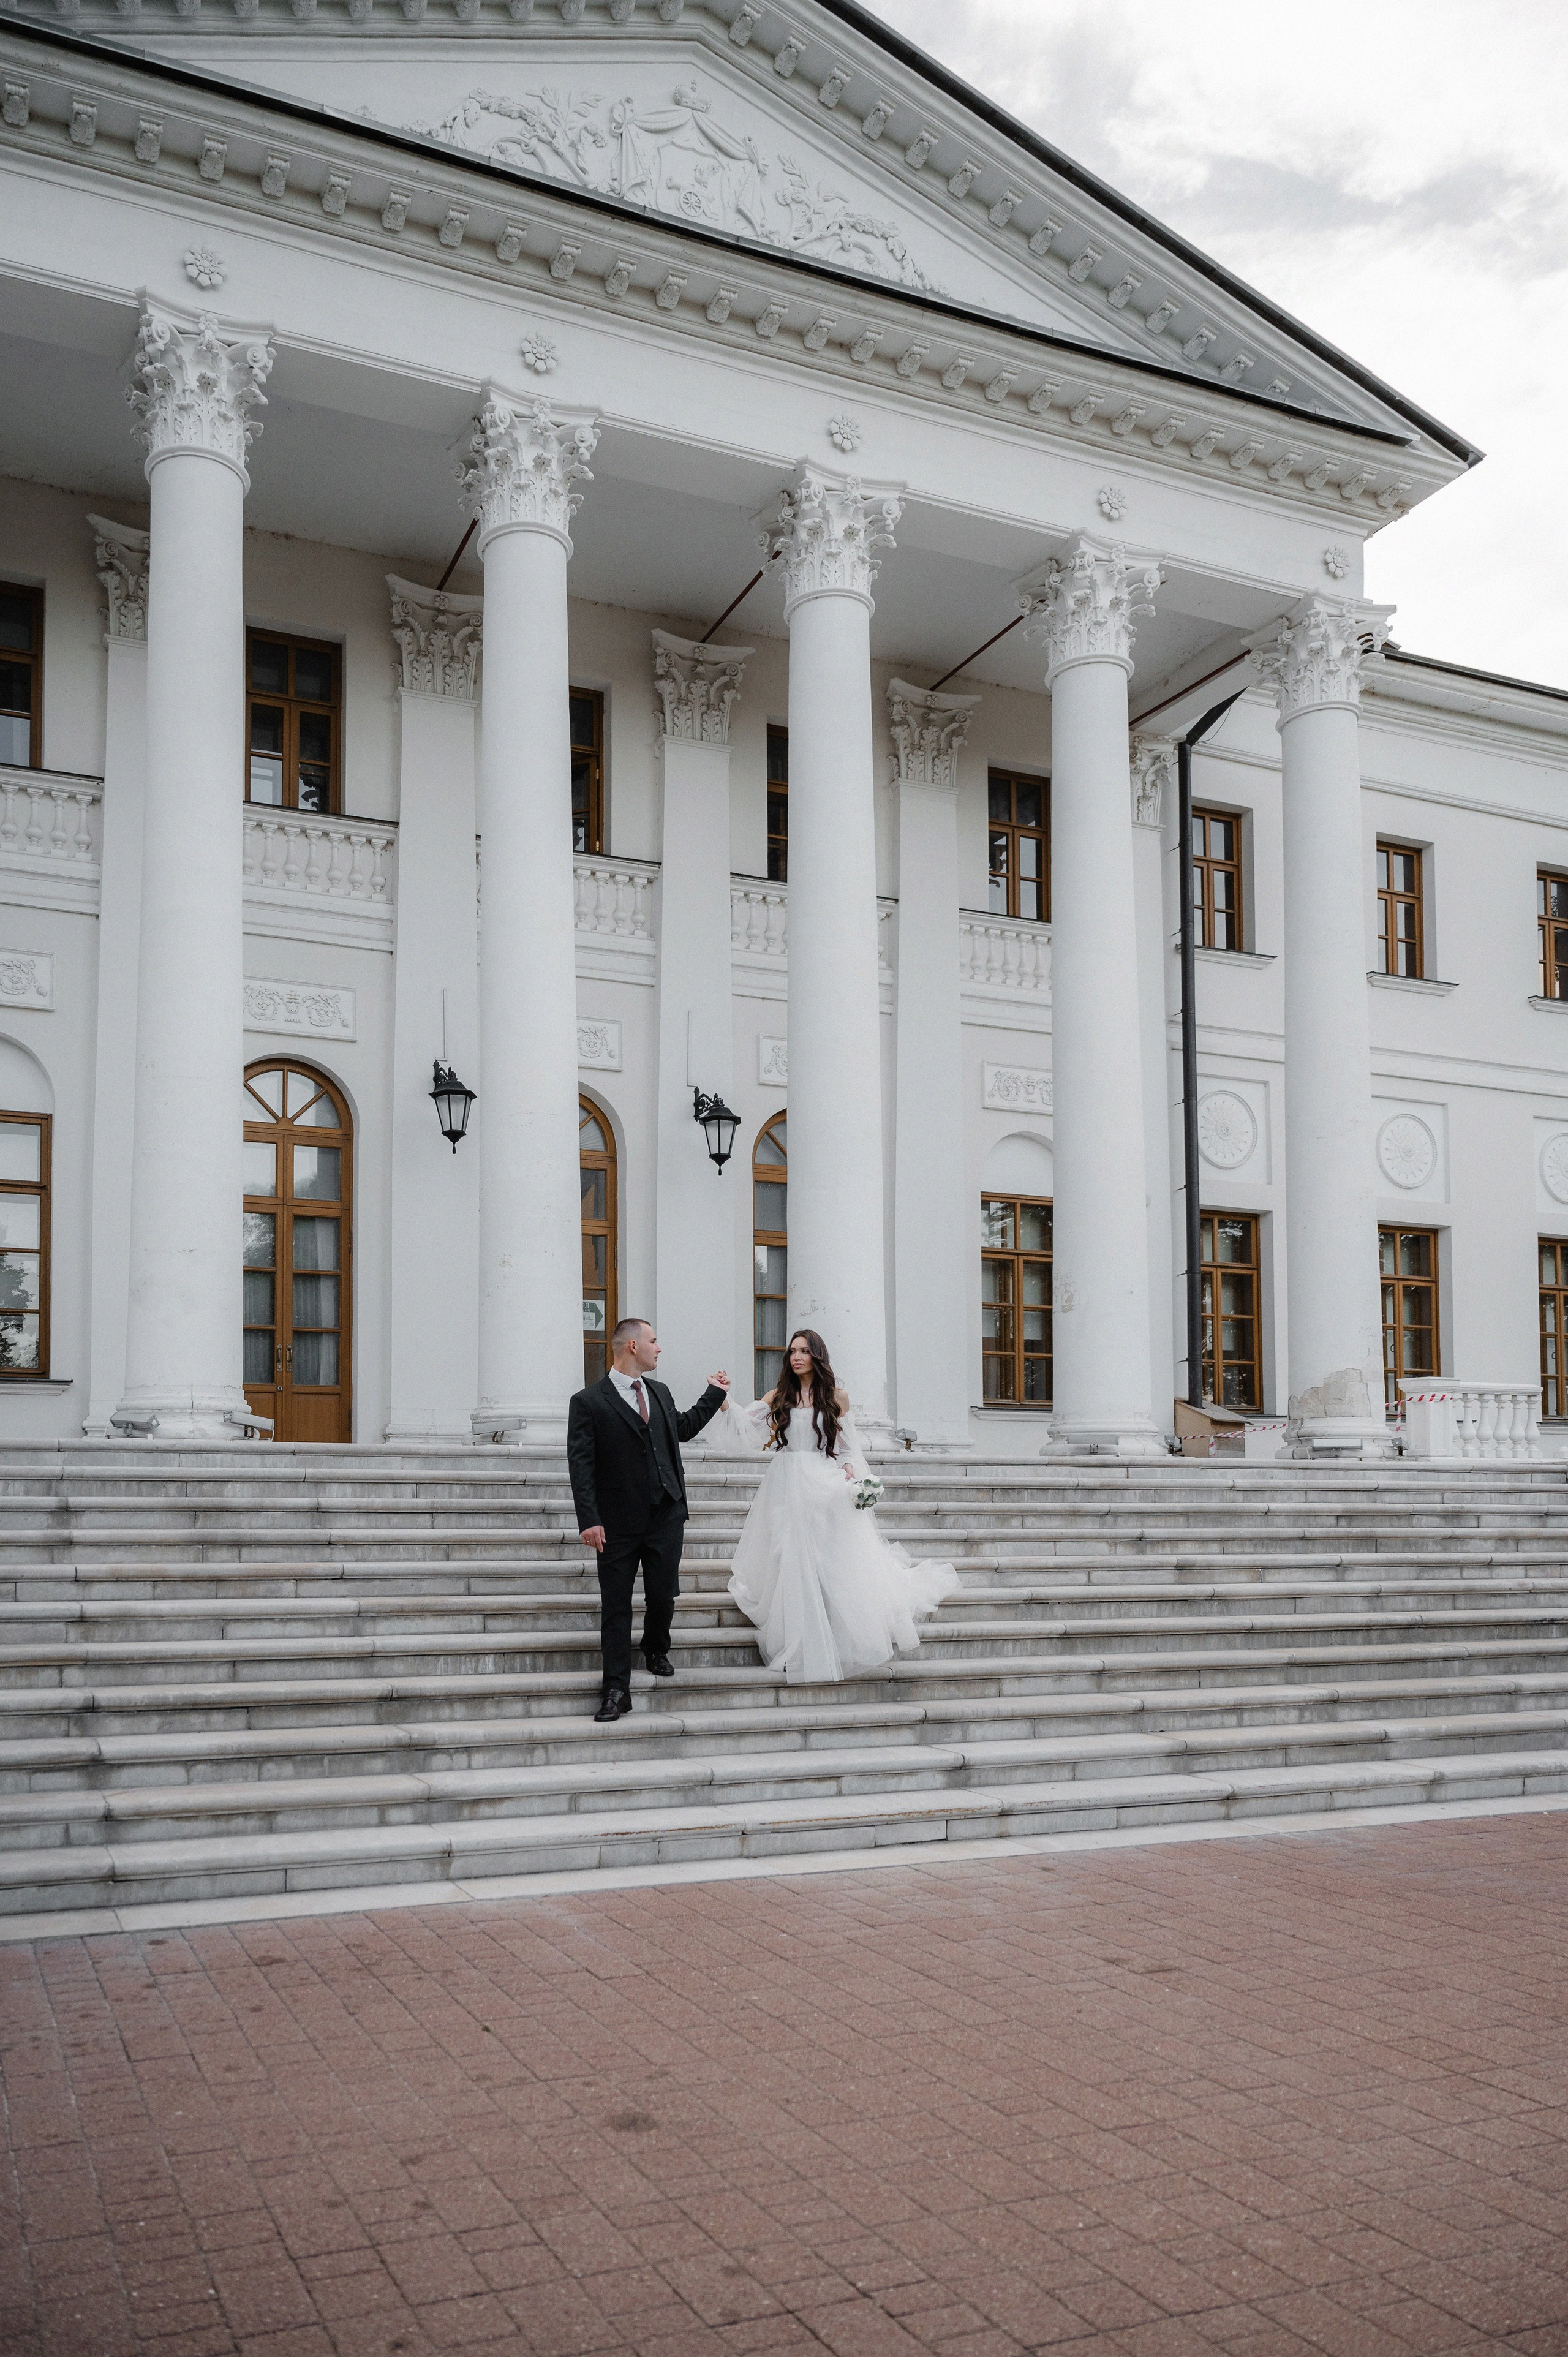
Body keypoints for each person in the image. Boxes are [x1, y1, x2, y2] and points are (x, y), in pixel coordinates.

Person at [717, 1329, 960, 1683]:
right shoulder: (778, 1395)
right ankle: (795, 1642)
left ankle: (826, 1633)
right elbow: (744, 1426)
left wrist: (851, 1471)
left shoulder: (836, 1396)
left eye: (804, 1351)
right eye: (792, 1352)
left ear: (817, 1356)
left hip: (821, 1482)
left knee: (823, 1558)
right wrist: (724, 1398)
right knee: (788, 1555)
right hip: (785, 1482)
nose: (796, 1357)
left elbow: (846, 1446)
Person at [567, 1317, 729, 1723]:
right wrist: (589, 1519)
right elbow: (581, 1466)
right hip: (616, 1524)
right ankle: (616, 1689)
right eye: (654, 1341)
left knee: (662, 1594)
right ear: (632, 1347)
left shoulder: (659, 1392)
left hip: (666, 1515)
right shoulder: (588, 1402)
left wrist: (715, 1394)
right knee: (616, 1607)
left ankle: (656, 1648)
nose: (659, 1348)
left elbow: (683, 1430)